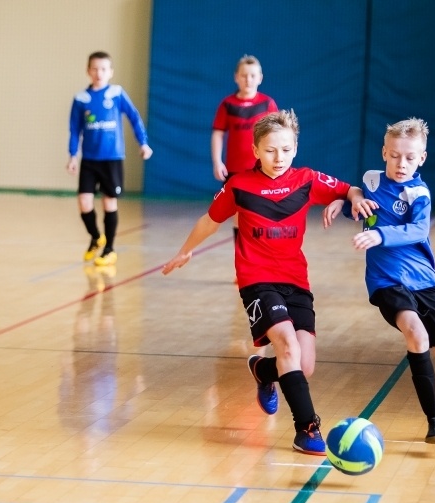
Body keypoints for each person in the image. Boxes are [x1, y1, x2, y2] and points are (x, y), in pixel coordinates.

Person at [162, 110, 372, 455]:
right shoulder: (239, 185)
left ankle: (263, 370)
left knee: (304, 366)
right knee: (287, 346)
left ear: (295, 148)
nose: (279, 158)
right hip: (257, 279)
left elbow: (350, 188)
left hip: (296, 279)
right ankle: (307, 429)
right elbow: (209, 220)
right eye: (271, 150)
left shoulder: (306, 179)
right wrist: (185, 251)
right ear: (256, 149)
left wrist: (352, 198)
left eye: (286, 150)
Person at [324, 118, 435, 443]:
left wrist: (379, 236)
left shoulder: (419, 192)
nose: (402, 164)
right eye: (395, 156)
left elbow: (418, 230)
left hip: (425, 282)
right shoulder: (371, 180)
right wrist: (343, 203)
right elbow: (362, 206)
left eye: (410, 158)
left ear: (422, 159)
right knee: (415, 334)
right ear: (384, 152)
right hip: (386, 282)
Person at [67, 51, 153, 266]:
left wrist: (143, 143)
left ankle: (110, 249)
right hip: (89, 159)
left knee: (109, 202)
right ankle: (96, 237)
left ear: (110, 72)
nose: (99, 73)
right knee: (84, 202)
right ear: (88, 71)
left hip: (112, 159)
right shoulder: (81, 99)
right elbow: (74, 129)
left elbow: (134, 117)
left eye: (104, 69)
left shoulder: (116, 93)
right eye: (95, 69)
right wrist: (72, 156)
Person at [211, 54, 278, 275]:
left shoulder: (267, 104)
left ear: (260, 78)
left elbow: (278, 135)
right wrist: (217, 160)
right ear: (236, 78)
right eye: (244, 75)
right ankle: (243, 266)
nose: (248, 79)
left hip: (262, 170)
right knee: (239, 218)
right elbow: (218, 134)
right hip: (236, 171)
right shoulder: (227, 104)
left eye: (252, 75)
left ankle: (265, 262)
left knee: (264, 216)